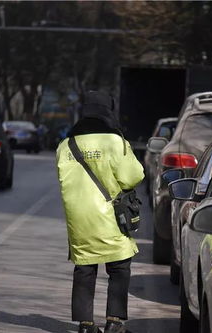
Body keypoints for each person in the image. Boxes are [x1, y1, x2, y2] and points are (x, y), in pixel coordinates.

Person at [56, 91, 144, 333]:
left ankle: (86, 325)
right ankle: (114, 322)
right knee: (119, 266)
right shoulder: (114, 141)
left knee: (85, 267)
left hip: (79, 217)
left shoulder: (66, 145)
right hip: (109, 216)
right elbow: (133, 176)